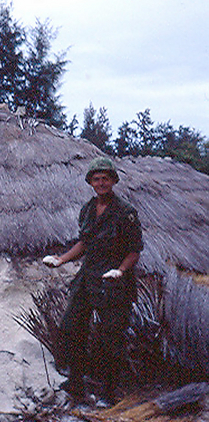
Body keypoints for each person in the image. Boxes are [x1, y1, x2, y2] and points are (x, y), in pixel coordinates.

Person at [43, 157, 143, 404]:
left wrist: (120, 270)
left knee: (112, 338)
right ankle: (76, 382)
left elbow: (135, 250)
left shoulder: (126, 213)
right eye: (96, 179)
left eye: (105, 178)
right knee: (70, 327)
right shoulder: (87, 209)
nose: (101, 183)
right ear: (90, 182)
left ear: (113, 181)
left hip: (114, 283)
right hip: (88, 278)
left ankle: (109, 392)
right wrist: (61, 259)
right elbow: (84, 243)